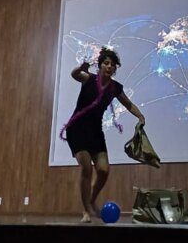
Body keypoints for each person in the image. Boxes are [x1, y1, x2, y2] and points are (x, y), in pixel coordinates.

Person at [62, 47, 146, 222]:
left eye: (112, 65)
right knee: (86, 167)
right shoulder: (89, 78)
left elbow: (128, 104)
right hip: (77, 129)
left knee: (103, 170)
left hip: (95, 132)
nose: (109, 66)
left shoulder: (115, 88)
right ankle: (86, 210)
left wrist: (140, 116)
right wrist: (81, 68)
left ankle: (91, 201)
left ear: (115, 68)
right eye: (106, 63)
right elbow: (75, 74)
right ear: (100, 65)